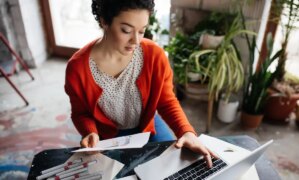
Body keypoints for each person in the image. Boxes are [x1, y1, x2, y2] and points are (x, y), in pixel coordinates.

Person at [64, 0, 217, 167]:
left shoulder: (154, 55)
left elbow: (166, 101)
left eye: (142, 31)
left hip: (147, 124)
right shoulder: (77, 68)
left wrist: (187, 132)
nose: (135, 41)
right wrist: (90, 131)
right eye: (126, 30)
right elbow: (80, 113)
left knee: (172, 166)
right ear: (104, 21)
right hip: (105, 135)